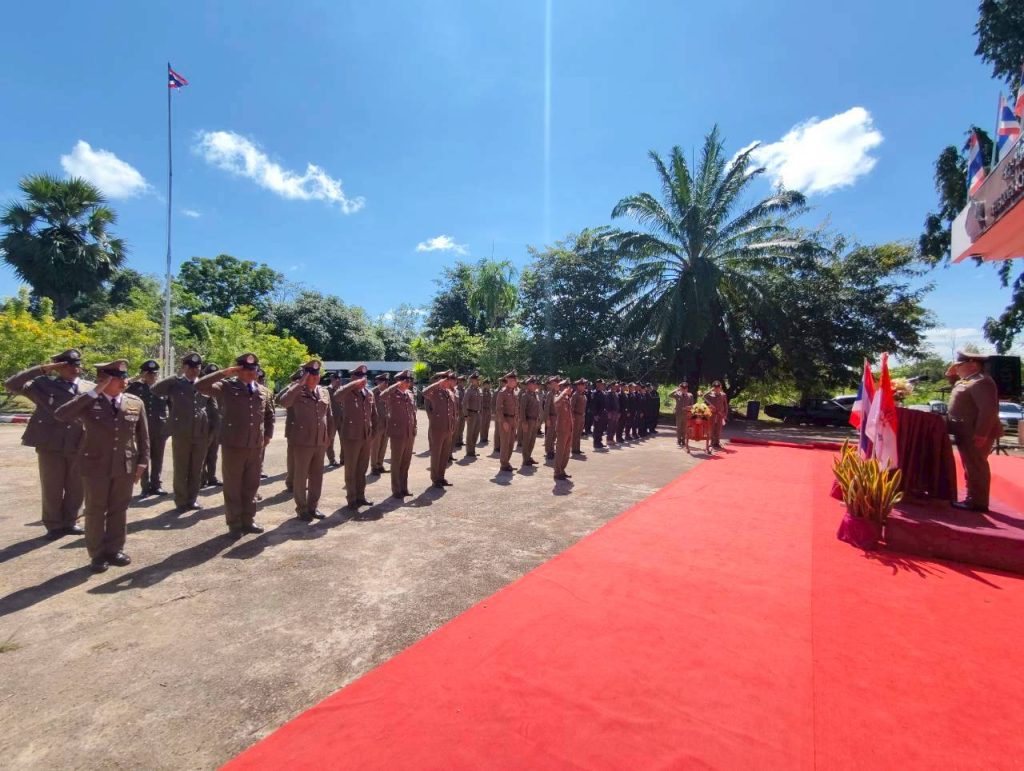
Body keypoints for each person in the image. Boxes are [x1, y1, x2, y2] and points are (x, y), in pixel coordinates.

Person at [54, 360, 149, 573]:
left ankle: (115, 550)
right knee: (96, 510)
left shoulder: (134, 402)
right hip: (95, 464)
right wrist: (95, 391)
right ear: (103, 379)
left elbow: (143, 436)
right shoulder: (88, 400)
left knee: (119, 508)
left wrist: (143, 461)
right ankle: (97, 554)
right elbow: (61, 414)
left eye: (125, 377)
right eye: (118, 378)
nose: (124, 381)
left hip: (125, 464)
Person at [4, 349, 90, 539]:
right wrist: (43, 369)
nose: (74, 369)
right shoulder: (43, 385)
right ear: (58, 367)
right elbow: (11, 384)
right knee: (52, 486)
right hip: (50, 442)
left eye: (77, 365)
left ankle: (71, 521)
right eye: (68, 366)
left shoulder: (88, 387)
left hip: (79, 442)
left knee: (77, 486)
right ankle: (53, 525)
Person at [196, 353, 275, 536]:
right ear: (238, 370)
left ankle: (249, 519)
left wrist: (268, 435)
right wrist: (224, 372)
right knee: (233, 486)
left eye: (254, 369)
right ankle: (234, 523)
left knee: (251, 485)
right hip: (234, 445)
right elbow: (200, 386)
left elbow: (269, 415)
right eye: (246, 370)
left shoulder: (263, 391)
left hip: (255, 446)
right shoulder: (226, 387)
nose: (251, 373)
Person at [152, 352, 211, 512]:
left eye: (197, 367)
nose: (194, 370)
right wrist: (175, 376)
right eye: (190, 367)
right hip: (181, 432)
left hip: (200, 432)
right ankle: (181, 500)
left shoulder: (204, 385)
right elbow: (155, 390)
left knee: (196, 468)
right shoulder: (176, 384)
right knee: (181, 468)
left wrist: (211, 431)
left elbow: (213, 407)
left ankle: (192, 499)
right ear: (184, 368)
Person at [947, 351, 1002, 512]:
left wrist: (982, 433)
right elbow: (958, 389)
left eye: (960, 365)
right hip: (965, 431)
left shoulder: (981, 381)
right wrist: (951, 375)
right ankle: (972, 497)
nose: (957, 368)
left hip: (974, 432)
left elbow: (988, 410)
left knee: (976, 465)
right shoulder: (969, 380)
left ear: (972, 364)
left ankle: (977, 502)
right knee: (970, 465)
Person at [277, 360, 332, 521]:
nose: (314, 377)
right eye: (310, 374)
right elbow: (284, 402)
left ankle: (313, 506)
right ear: (304, 375)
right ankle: (302, 508)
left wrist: (328, 435)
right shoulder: (297, 390)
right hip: (302, 441)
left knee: (317, 476)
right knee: (300, 476)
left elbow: (328, 417)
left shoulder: (323, 392)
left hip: (319, 440)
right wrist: (299, 384)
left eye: (317, 374)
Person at [333, 364, 377, 508]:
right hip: (351, 436)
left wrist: (373, 434)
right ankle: (351, 499)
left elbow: (374, 415)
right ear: (352, 378)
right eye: (358, 376)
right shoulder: (346, 392)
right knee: (351, 469)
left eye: (363, 376)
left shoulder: (369, 393)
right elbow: (336, 397)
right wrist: (353, 385)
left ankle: (360, 496)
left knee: (362, 469)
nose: (361, 379)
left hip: (366, 437)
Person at [127, 359, 170, 497]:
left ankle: (156, 485)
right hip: (142, 429)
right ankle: (145, 487)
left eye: (154, 374)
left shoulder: (163, 388)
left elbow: (172, 406)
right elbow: (123, 387)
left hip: (160, 428)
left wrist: (169, 426)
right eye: (149, 374)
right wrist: (137, 377)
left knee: (158, 458)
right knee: (143, 457)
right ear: (143, 374)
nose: (152, 376)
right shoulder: (136, 387)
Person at [381, 370, 417, 497]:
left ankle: (404, 488)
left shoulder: (410, 394)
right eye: (405, 381)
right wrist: (396, 385)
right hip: (397, 433)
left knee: (406, 462)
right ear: (399, 381)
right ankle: (396, 490)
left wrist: (415, 427)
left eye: (409, 381)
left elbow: (413, 413)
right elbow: (382, 396)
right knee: (396, 462)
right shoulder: (392, 394)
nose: (408, 383)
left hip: (409, 433)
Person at [422, 371, 457, 487]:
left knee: (444, 454)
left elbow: (453, 411)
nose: (448, 382)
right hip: (437, 428)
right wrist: (437, 384)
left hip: (448, 428)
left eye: (448, 379)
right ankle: (435, 479)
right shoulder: (435, 392)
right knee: (436, 454)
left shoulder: (450, 393)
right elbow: (424, 392)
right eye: (446, 379)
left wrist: (453, 425)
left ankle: (441, 477)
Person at [279, 369, 303, 492]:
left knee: (303, 459)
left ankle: (300, 482)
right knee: (293, 458)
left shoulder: (308, 390)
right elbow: (278, 399)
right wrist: (291, 386)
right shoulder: (291, 390)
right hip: (293, 428)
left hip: (306, 429)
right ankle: (291, 482)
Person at [200, 363, 223, 487]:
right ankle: (201, 478)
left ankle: (212, 477)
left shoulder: (221, 387)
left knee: (213, 453)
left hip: (217, 425)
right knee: (203, 453)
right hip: (205, 425)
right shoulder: (202, 388)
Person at [496, 372, 520, 472]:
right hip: (506, 420)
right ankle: (503, 464)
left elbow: (516, 407)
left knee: (511, 443)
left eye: (514, 380)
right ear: (508, 381)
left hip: (513, 420)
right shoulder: (502, 392)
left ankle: (507, 462)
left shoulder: (514, 392)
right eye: (511, 380)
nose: (513, 382)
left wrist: (517, 420)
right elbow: (499, 409)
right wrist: (503, 422)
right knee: (505, 443)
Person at [553, 380, 574, 480]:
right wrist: (563, 393)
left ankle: (562, 470)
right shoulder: (558, 397)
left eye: (568, 387)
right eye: (566, 387)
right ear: (561, 388)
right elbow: (556, 403)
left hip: (568, 428)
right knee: (560, 451)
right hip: (562, 429)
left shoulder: (567, 399)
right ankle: (557, 472)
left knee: (566, 452)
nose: (568, 388)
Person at [519, 376, 542, 466]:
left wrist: (539, 419)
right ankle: (525, 459)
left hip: (535, 420)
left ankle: (529, 456)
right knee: (526, 441)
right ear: (528, 385)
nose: (535, 385)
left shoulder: (535, 395)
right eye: (533, 384)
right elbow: (522, 410)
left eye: (535, 384)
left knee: (532, 440)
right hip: (528, 420)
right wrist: (524, 422)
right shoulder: (525, 396)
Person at [370, 373, 390, 475]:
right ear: (377, 382)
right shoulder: (373, 393)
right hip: (377, 425)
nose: (385, 384)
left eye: (387, 382)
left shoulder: (388, 393)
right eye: (383, 381)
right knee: (375, 447)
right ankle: (374, 467)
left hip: (386, 424)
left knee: (383, 446)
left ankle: (380, 464)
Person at [463, 372, 483, 456]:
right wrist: (466, 415)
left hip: (478, 414)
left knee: (476, 432)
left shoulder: (479, 390)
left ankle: (473, 449)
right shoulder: (469, 390)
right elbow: (464, 403)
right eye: (476, 380)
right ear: (472, 380)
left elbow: (481, 403)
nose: (478, 381)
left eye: (478, 380)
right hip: (471, 413)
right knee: (470, 433)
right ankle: (469, 451)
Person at [704, 381, 729, 450]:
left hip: (720, 415)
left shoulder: (723, 395)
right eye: (715, 388)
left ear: (720, 387)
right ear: (713, 388)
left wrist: (725, 414)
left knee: (718, 429)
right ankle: (712, 443)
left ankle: (717, 443)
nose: (717, 389)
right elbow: (704, 396)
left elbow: (725, 405)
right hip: (712, 415)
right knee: (712, 429)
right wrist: (710, 390)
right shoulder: (710, 395)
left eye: (718, 387)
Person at [327, 371, 344, 467]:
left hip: (342, 419)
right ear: (332, 379)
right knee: (330, 440)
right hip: (332, 419)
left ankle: (343, 459)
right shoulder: (327, 390)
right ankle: (332, 459)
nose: (338, 381)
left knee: (344, 440)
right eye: (336, 379)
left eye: (339, 379)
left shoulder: (342, 390)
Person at [671, 382, 695, 451]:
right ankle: (679, 440)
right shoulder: (677, 394)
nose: (684, 390)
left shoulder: (690, 395)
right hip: (679, 414)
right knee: (679, 427)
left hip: (686, 414)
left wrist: (688, 408)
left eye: (685, 388)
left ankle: (683, 440)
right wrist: (677, 389)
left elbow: (692, 405)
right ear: (681, 388)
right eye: (682, 388)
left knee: (685, 428)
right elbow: (670, 395)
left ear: (687, 389)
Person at [542, 376, 559, 459]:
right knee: (550, 435)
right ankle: (548, 451)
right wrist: (547, 419)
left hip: (557, 417)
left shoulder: (558, 393)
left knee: (554, 435)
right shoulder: (550, 394)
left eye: (556, 383)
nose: (555, 385)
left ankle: (552, 450)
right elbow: (546, 407)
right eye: (553, 383)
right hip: (551, 417)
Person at [570, 379, 588, 455]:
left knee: (579, 433)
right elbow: (571, 407)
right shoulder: (575, 395)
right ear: (578, 386)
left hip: (582, 416)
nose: (584, 386)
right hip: (576, 416)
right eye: (583, 385)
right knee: (575, 433)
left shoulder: (583, 395)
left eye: (584, 385)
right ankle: (574, 448)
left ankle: (577, 448)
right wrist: (572, 417)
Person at [591, 379, 608, 449]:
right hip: (597, 414)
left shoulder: (603, 393)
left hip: (603, 413)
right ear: (597, 384)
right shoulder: (594, 393)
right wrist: (595, 415)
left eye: (603, 384)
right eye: (601, 384)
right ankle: (596, 443)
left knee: (601, 429)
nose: (602, 385)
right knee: (597, 429)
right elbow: (593, 405)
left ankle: (599, 441)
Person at [453, 375, 467, 449]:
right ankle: (456, 441)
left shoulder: (464, 390)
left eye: (464, 381)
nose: (463, 383)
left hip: (463, 411)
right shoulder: (455, 389)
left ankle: (460, 440)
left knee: (462, 426)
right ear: (459, 381)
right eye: (462, 381)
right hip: (458, 410)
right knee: (457, 426)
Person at [605, 382, 621, 447]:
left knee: (614, 426)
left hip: (616, 412)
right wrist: (608, 412)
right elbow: (607, 404)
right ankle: (608, 439)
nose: (616, 387)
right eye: (614, 386)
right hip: (611, 412)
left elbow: (618, 403)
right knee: (610, 426)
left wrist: (618, 412)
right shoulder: (608, 393)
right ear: (611, 386)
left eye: (616, 386)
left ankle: (612, 438)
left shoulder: (616, 394)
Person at [479, 378, 493, 444]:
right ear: (484, 385)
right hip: (483, 410)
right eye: (487, 384)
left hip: (488, 410)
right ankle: (482, 437)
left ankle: (485, 437)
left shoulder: (490, 392)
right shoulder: (481, 392)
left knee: (487, 424)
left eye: (489, 384)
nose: (488, 385)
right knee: (483, 424)